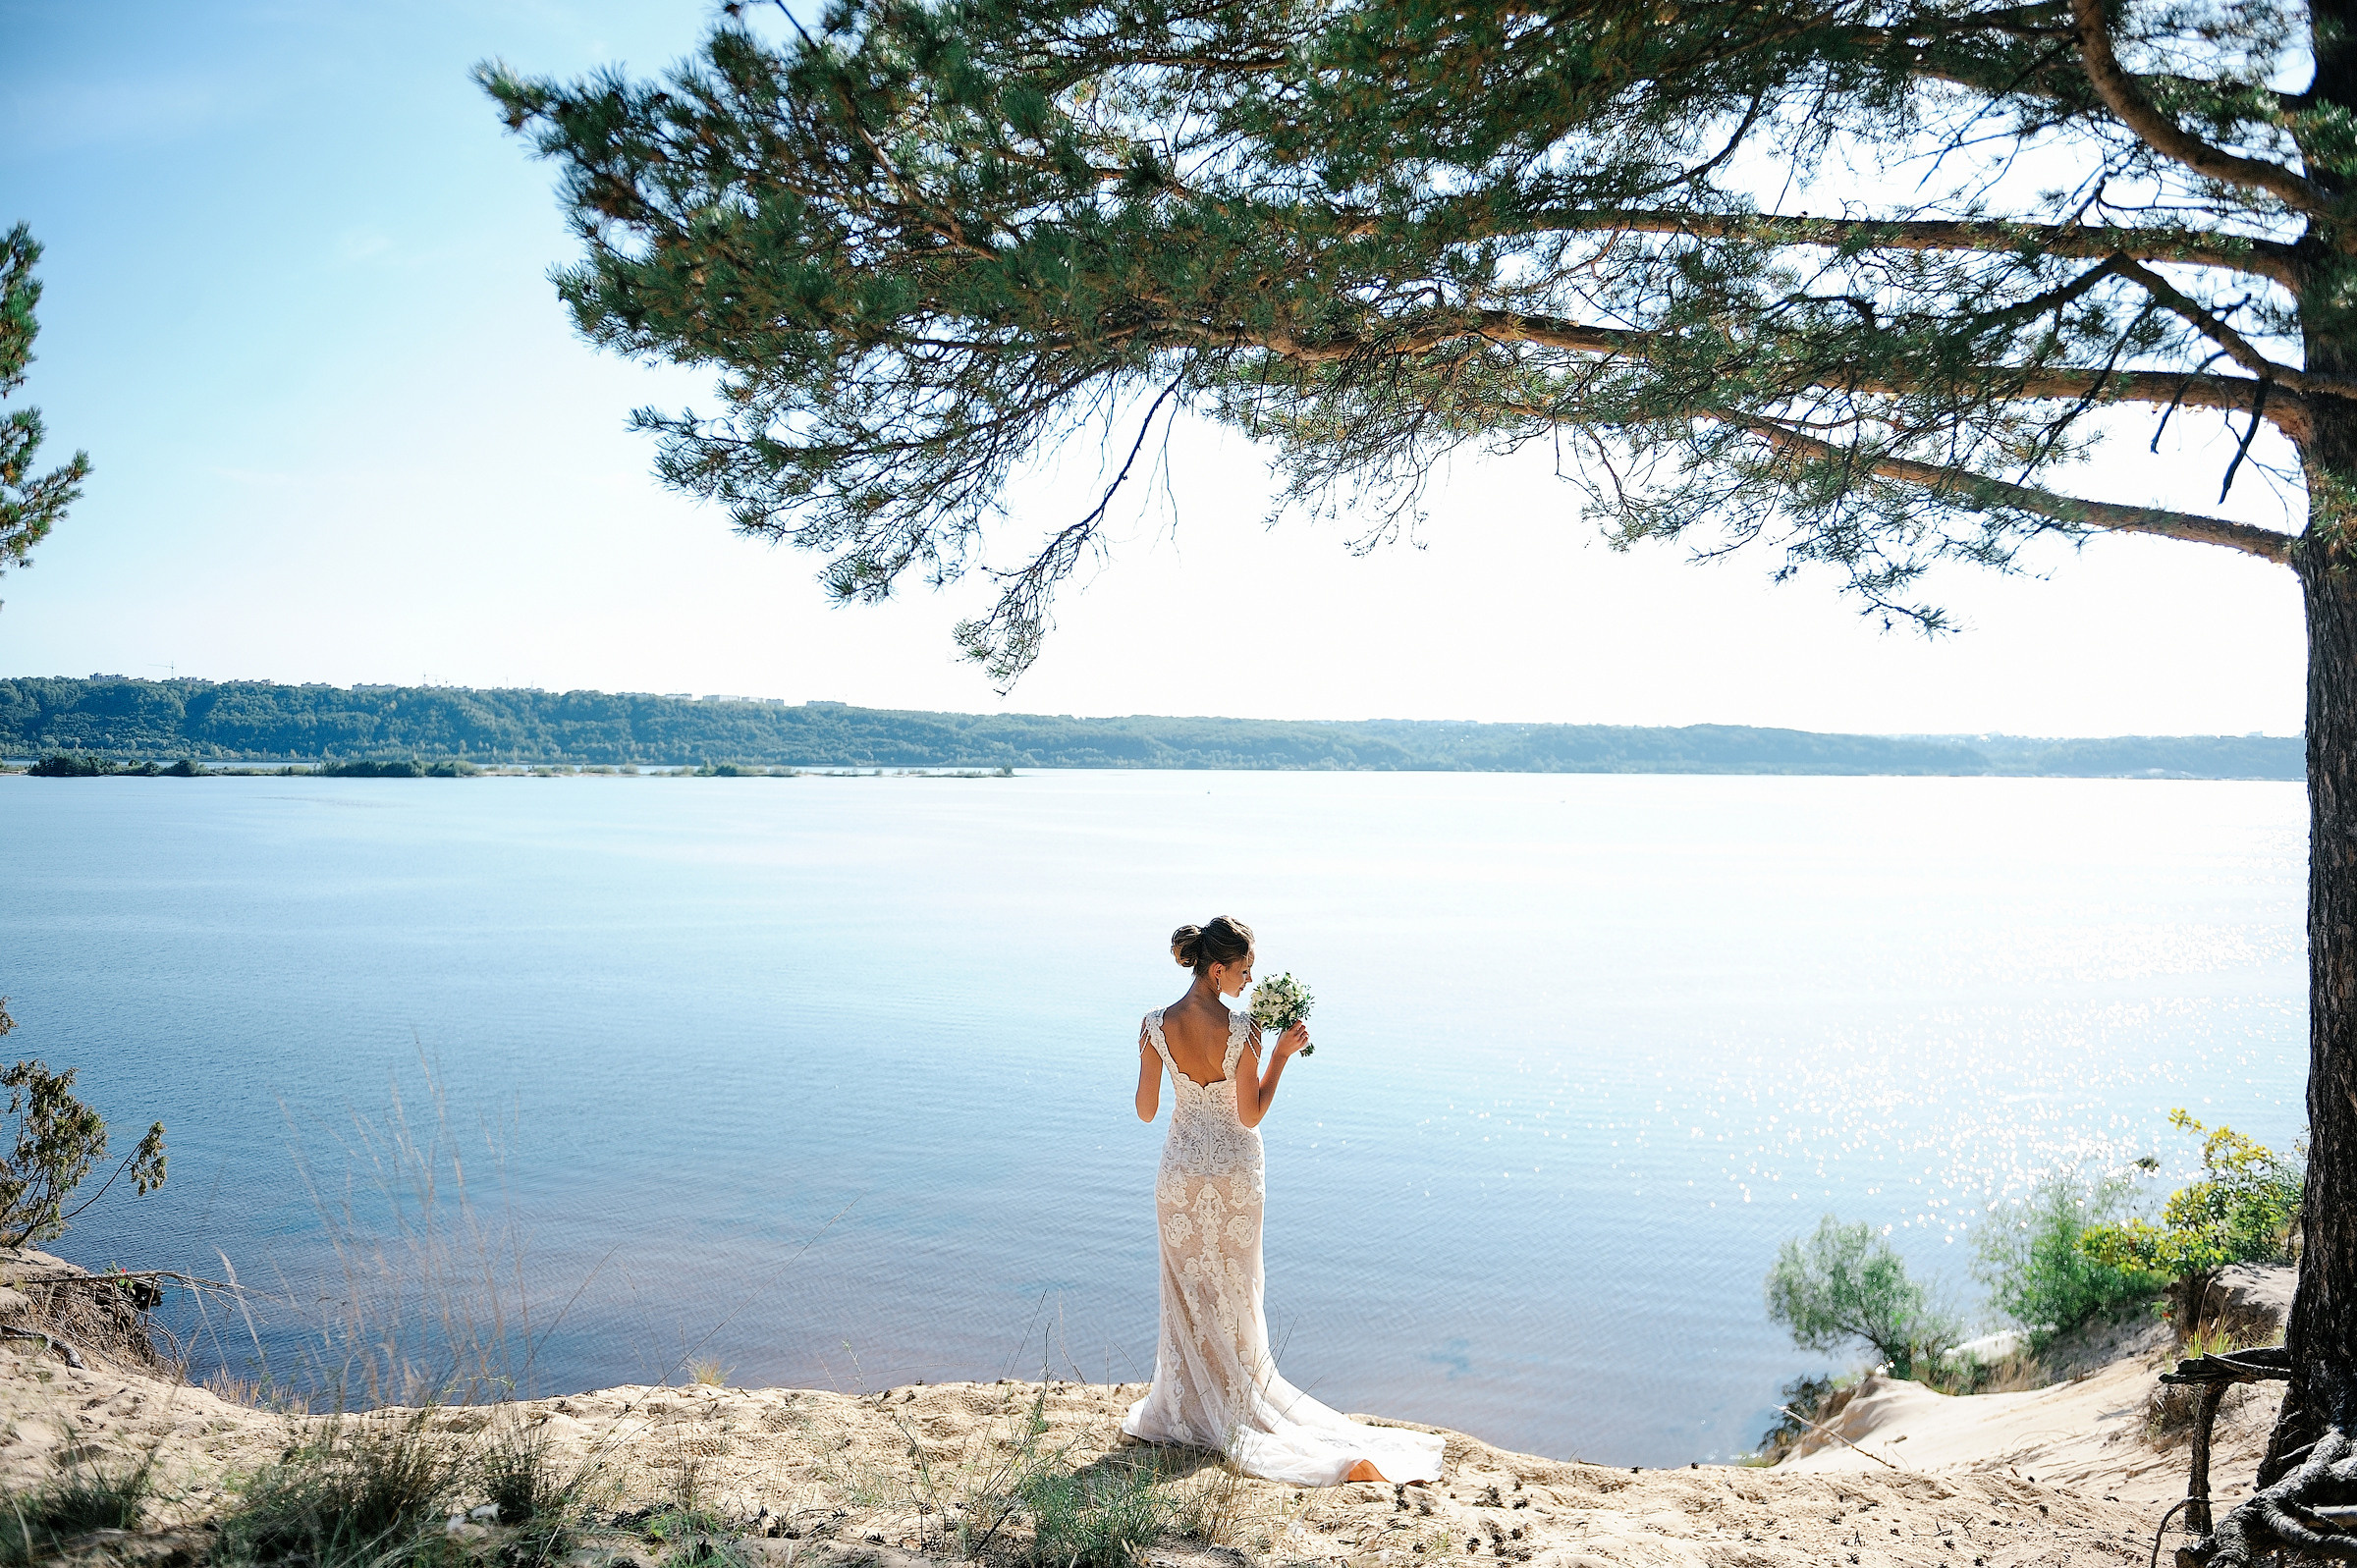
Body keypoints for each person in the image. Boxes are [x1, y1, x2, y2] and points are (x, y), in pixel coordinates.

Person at [1121, 915, 1446, 1486]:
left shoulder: (1152, 1025)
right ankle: (1234, 1407)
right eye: (1244, 971)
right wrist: (1279, 1057)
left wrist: (1147, 1060)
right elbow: (1249, 1114)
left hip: (1179, 1175)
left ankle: (1187, 1410)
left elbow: (1146, 1112)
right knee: (1235, 1293)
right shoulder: (1244, 1030)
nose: (1249, 981)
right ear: (1217, 969)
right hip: (1236, 1175)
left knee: (1188, 1290)